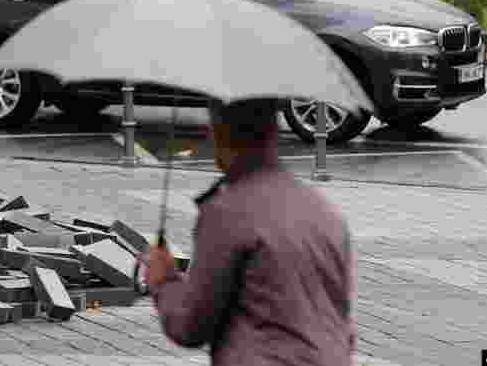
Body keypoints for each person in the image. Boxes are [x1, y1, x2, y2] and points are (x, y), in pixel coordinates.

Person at [147, 99, 356, 365]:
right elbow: (342, 321)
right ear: (273, 131)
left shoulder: (228, 213)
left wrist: (163, 282)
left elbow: (190, 325)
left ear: (219, 131)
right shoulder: (325, 212)